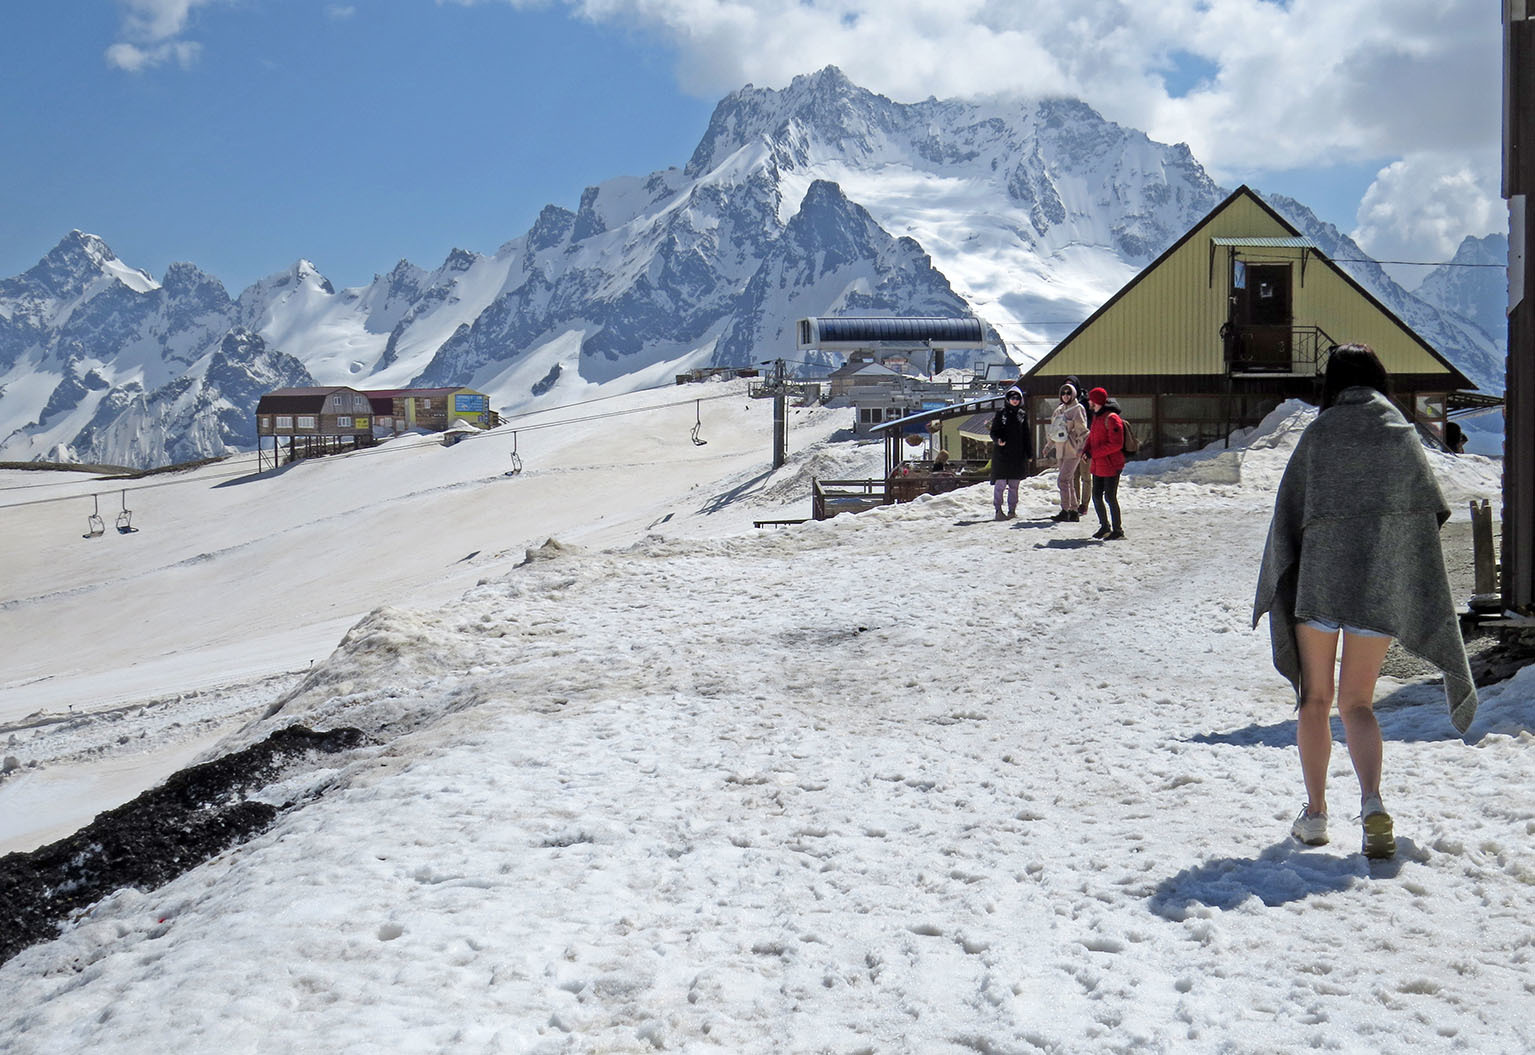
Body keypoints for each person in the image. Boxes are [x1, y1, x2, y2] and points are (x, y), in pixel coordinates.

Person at [1252, 344, 1478, 859]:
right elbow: (1427, 511)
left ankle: (1315, 816)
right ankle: (1373, 805)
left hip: (1320, 588)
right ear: (1379, 377)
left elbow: (1287, 515)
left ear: (1332, 382)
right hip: (1376, 590)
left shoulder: (1320, 432)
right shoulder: (1399, 432)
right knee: (1358, 704)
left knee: (1315, 701)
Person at [1082, 387, 1126, 539]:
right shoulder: (1097, 416)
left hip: (1111, 464)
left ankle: (1118, 530)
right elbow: (1092, 437)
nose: (1089, 402)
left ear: (1097, 401)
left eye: (1091, 399)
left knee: (1110, 497)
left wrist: (1092, 453)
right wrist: (1086, 450)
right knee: (1096, 496)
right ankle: (1104, 526)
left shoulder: (1112, 418)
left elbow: (1116, 444)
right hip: (1099, 464)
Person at [989, 386, 1032, 520]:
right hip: (1002, 455)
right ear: (1007, 399)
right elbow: (993, 431)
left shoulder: (1022, 415)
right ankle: (998, 510)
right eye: (1012, 398)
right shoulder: (1001, 413)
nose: (1015, 400)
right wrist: (998, 440)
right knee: (1000, 484)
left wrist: (1029, 454)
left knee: (1014, 485)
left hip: (1017, 455)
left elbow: (1026, 436)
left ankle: (1012, 510)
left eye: (1017, 398)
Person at [1049, 383, 1089, 521]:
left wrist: (1081, 448)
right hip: (1060, 450)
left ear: (1073, 394)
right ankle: (1073, 510)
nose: (1065, 396)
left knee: (1063, 480)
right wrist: (1049, 445)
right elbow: (1054, 430)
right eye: (1063, 393)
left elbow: (1083, 431)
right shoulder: (1059, 410)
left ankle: (1065, 510)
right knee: (1069, 481)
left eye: (1068, 393)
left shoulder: (1078, 409)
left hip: (1073, 451)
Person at [1068, 375, 1094, 515]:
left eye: (1071, 386)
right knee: (1073, 475)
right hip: (1070, 446)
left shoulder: (1085, 402)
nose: (1068, 392)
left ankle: (1084, 504)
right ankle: (1075, 502)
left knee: (1085, 475)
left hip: (1085, 444)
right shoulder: (1064, 405)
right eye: (1065, 388)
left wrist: (1088, 445)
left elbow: (1090, 425)